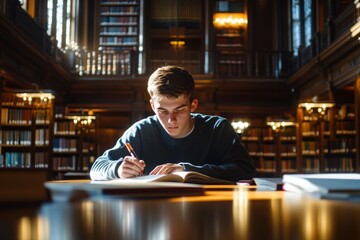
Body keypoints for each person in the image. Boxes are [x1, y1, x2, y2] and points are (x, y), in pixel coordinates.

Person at [90, 65, 255, 182]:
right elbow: (96, 168)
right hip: (151, 212)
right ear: (153, 106)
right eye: (162, 111)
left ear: (193, 105)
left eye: (180, 109)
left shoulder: (217, 128)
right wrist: (118, 169)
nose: (171, 120)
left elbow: (245, 170)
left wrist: (187, 170)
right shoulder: (140, 131)